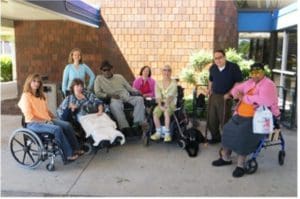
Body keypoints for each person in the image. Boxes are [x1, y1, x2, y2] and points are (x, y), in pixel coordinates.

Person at [211, 63, 280, 178]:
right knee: (228, 129)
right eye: (253, 73)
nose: (255, 75)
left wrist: (243, 97)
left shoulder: (269, 85)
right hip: (241, 114)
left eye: (258, 73)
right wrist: (232, 94)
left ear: (263, 72)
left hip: (259, 117)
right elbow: (238, 88)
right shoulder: (250, 82)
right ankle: (225, 158)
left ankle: (240, 166)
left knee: (242, 134)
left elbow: (264, 100)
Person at [18, 74, 83, 162]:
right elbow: (29, 117)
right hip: (33, 123)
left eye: (38, 81)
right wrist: (44, 121)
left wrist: (54, 117)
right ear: (29, 82)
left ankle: (76, 148)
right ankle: (68, 154)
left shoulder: (41, 95)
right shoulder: (26, 96)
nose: (36, 83)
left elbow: (45, 110)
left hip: (46, 120)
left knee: (67, 125)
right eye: (34, 81)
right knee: (57, 129)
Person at [57, 79, 125, 146]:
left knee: (105, 121)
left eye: (81, 86)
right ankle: (101, 139)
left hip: (95, 113)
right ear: (72, 87)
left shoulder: (88, 94)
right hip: (83, 116)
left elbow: (98, 102)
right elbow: (60, 111)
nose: (79, 88)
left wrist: (100, 111)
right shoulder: (69, 98)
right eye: (77, 86)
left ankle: (115, 135)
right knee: (92, 125)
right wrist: (70, 108)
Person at [94, 60, 145, 135]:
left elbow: (129, 88)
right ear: (101, 71)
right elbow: (97, 93)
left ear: (112, 69)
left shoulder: (119, 77)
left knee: (140, 99)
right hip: (114, 98)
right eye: (104, 70)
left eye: (109, 69)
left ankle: (137, 124)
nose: (107, 71)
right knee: (114, 105)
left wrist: (138, 92)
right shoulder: (99, 79)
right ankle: (125, 127)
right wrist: (109, 95)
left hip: (126, 96)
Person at [207, 49, 243, 144]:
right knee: (212, 119)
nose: (218, 60)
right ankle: (216, 138)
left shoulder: (233, 67)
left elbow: (238, 82)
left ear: (224, 57)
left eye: (220, 57)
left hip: (226, 97)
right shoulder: (213, 68)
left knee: (225, 120)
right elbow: (211, 80)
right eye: (216, 58)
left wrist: (230, 93)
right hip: (214, 95)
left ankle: (227, 140)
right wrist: (209, 89)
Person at [150, 65, 177, 142]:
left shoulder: (174, 83)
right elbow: (158, 96)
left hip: (171, 103)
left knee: (166, 112)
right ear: (162, 72)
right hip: (161, 103)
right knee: (155, 113)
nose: (167, 72)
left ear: (171, 72)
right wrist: (159, 105)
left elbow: (171, 96)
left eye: (168, 70)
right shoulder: (158, 83)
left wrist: (166, 105)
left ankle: (167, 133)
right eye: (165, 70)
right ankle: (158, 132)